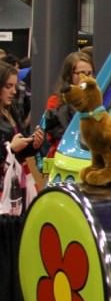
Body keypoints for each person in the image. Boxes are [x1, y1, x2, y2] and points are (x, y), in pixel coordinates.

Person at [0, 60, 44, 214]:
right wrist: (10, 149)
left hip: (17, 184)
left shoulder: (12, 110)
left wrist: (33, 144)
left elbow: (22, 150)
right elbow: (11, 149)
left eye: (15, 86)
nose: (14, 91)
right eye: (8, 86)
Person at [41, 51, 94, 160]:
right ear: (69, 75)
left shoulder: (97, 99)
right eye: (81, 73)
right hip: (63, 155)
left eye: (89, 73)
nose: (86, 78)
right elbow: (53, 133)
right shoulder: (55, 101)